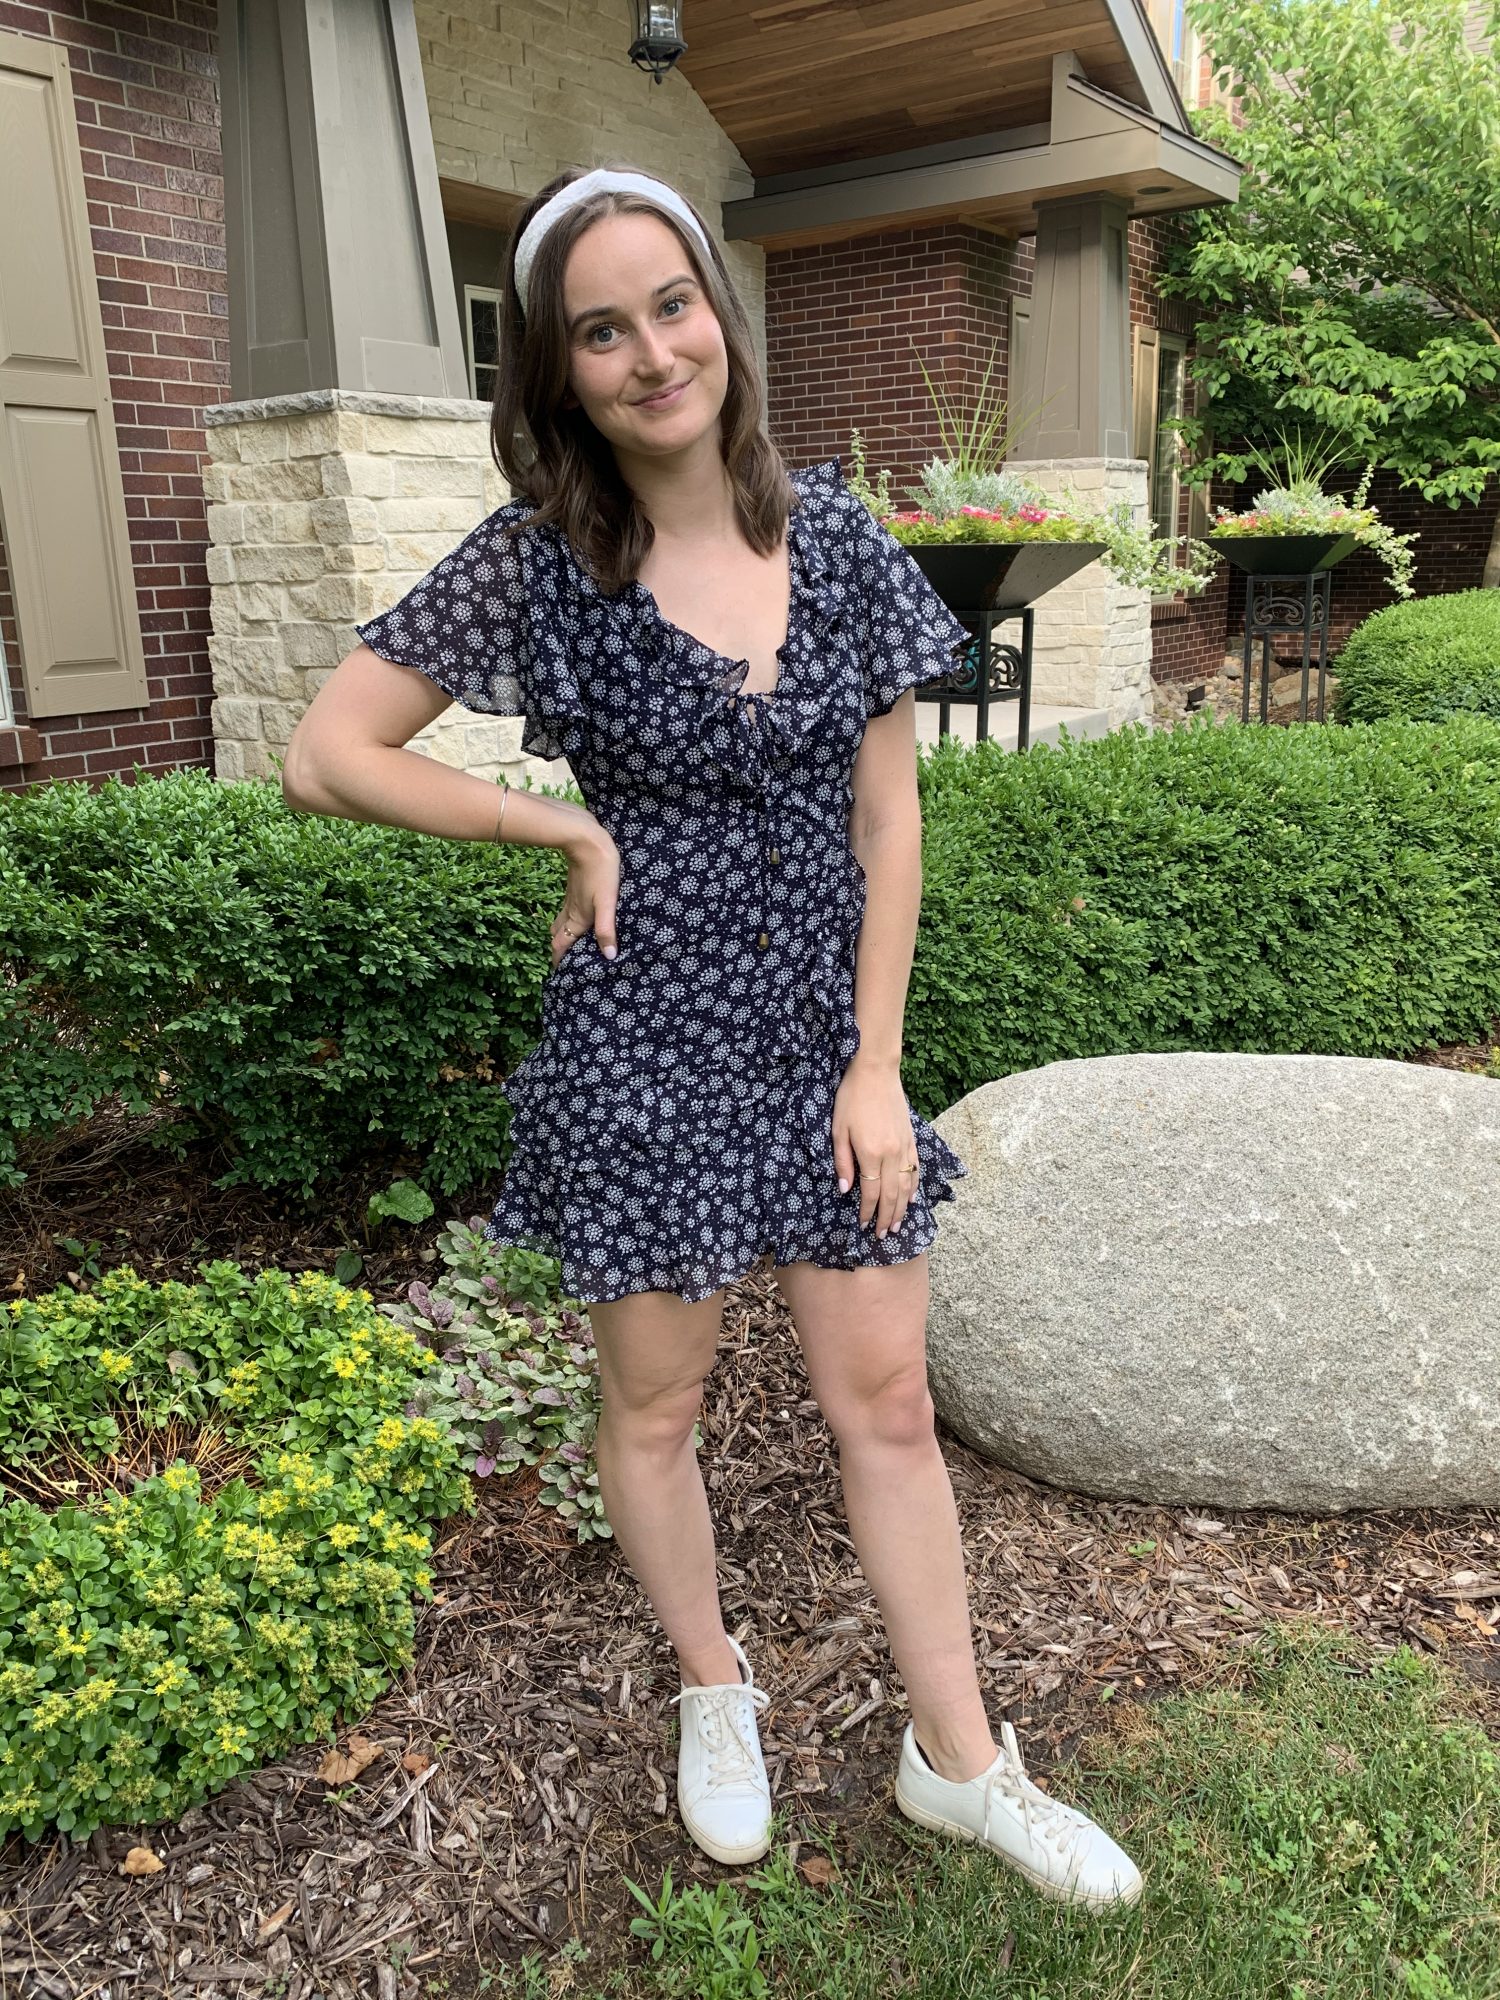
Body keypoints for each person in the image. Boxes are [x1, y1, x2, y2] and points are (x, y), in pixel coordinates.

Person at [281, 162, 1142, 1909]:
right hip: (643, 1044)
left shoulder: (835, 539)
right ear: (559, 372)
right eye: (600, 330)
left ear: (716, 317)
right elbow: (329, 751)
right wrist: (559, 828)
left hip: (830, 1041)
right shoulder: (542, 564)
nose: (649, 352)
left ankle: (958, 1761)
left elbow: (891, 825)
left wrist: (880, 1064)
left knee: (885, 1399)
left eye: (669, 305)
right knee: (655, 1407)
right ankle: (712, 1685)